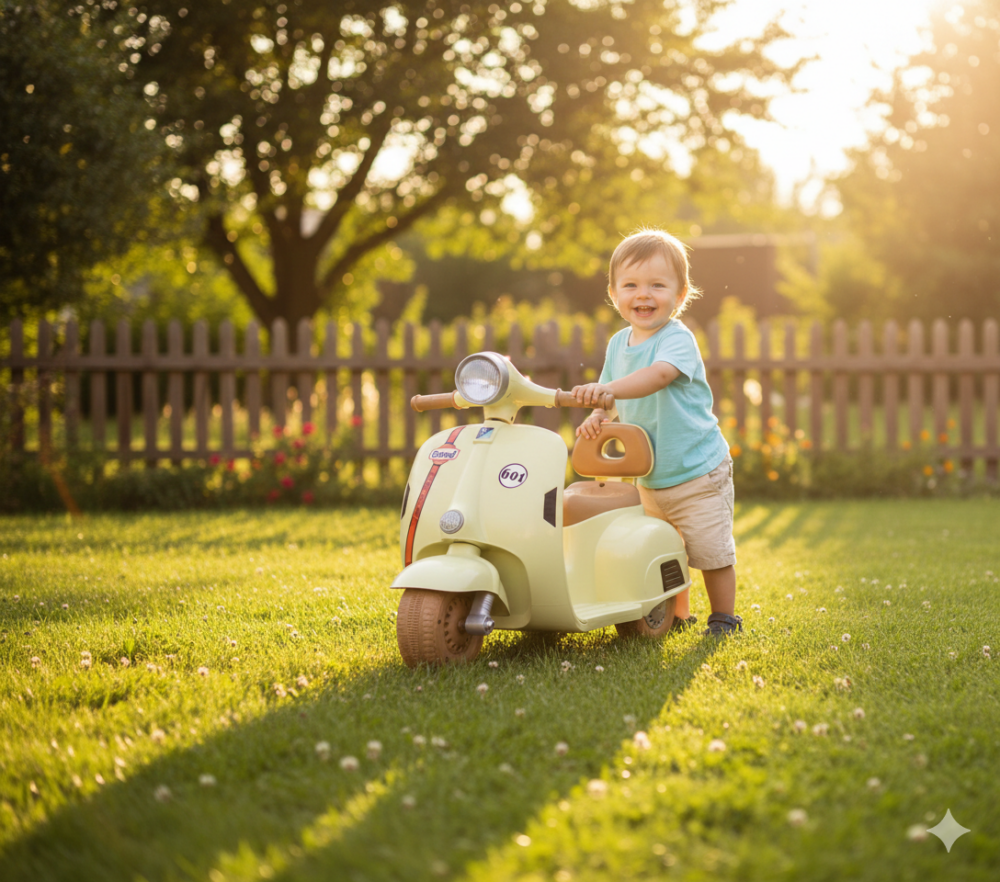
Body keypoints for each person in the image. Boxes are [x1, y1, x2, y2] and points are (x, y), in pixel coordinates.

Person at [572, 228, 741, 638]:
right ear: (613, 294)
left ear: (681, 295)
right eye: (630, 285)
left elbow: (657, 377)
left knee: (710, 550)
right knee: (666, 547)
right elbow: (609, 394)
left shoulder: (677, 339)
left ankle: (723, 617)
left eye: (657, 285)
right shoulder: (617, 344)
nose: (643, 295)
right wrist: (599, 413)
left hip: (697, 470)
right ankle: (677, 614)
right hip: (651, 474)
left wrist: (608, 390)